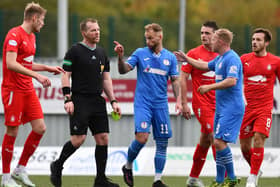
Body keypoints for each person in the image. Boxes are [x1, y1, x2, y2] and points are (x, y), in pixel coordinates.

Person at [49, 18, 121, 187]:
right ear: (84, 33)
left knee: (103, 138)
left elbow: (106, 79)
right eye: (93, 30)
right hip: (79, 100)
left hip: (97, 101)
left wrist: (113, 100)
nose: (97, 33)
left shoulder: (102, 53)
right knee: (78, 139)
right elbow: (65, 74)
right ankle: (57, 165)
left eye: (98, 29)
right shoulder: (74, 51)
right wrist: (68, 98)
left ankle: (100, 180)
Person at [1, 2, 65, 187]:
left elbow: (26, 63)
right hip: (13, 89)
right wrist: (38, 76)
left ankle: (20, 169)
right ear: (35, 18)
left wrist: (45, 68)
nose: (43, 24)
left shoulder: (31, 37)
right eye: (42, 20)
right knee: (12, 131)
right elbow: (11, 63)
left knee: (40, 128)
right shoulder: (14, 35)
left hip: (27, 89)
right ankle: (5, 178)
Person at [174, 28, 244, 187]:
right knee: (213, 141)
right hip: (221, 107)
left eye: (212, 39)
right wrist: (186, 58)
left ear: (221, 42)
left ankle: (231, 178)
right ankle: (220, 181)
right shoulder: (220, 59)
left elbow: (232, 81)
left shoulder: (232, 58)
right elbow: (204, 65)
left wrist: (209, 87)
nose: (209, 41)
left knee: (218, 142)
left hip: (232, 107)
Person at [114, 23, 180, 187]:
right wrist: (120, 57)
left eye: (150, 38)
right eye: (146, 38)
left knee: (162, 142)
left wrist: (179, 100)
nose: (148, 41)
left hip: (161, 105)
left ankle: (157, 180)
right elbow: (123, 70)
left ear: (160, 36)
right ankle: (128, 166)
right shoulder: (140, 53)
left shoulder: (170, 58)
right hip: (143, 103)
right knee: (142, 137)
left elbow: (175, 80)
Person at [178, 21, 219, 187]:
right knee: (216, 138)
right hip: (201, 105)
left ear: (216, 35)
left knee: (205, 141)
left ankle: (193, 178)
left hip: (219, 106)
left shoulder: (221, 55)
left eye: (207, 33)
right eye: (202, 32)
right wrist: (184, 103)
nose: (203, 36)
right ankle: (222, 179)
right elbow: (182, 78)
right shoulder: (193, 53)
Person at [239, 28, 280, 187]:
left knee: (258, 139)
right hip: (247, 109)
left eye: (258, 40)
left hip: (264, 109)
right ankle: (256, 170)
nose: (254, 42)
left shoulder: (275, 61)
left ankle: (252, 177)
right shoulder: (244, 59)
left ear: (266, 43)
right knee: (244, 147)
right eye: (253, 39)